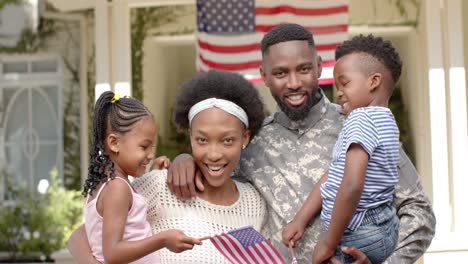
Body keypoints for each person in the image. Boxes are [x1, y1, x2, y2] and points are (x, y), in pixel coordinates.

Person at [167, 23, 436, 263]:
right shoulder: (250, 143)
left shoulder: (359, 124)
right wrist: (185, 160)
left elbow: (419, 212)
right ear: (264, 75)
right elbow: (215, 174)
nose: (294, 83)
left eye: (304, 69)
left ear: (319, 66)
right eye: (281, 73)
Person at [68, 70, 268, 263]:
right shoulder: (159, 186)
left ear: (245, 137)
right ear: (190, 136)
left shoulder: (255, 203)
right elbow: (81, 237)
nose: (214, 154)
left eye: (227, 140)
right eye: (202, 140)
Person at [283, 34, 402, 264]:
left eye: (344, 83)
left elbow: (352, 185)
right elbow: (335, 174)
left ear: (373, 81)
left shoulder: (360, 119)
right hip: (383, 229)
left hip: (357, 231)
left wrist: (328, 243)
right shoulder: (386, 120)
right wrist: (300, 220)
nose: (337, 92)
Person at [82, 91, 202, 264]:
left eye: (151, 147)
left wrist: (152, 172)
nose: (150, 154)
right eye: (144, 146)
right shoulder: (118, 189)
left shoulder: (107, 185)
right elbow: (113, 253)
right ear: (114, 143)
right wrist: (162, 240)